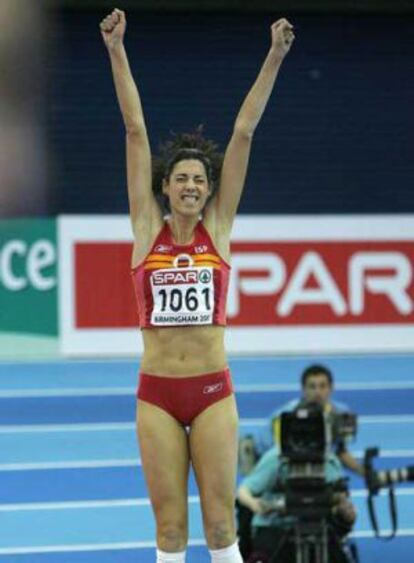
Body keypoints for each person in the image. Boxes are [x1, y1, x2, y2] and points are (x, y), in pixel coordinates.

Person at [100, 9, 295, 563]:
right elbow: (135, 130)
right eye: (181, 178)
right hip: (156, 395)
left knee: (219, 527)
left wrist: (275, 56)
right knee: (169, 532)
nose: (190, 186)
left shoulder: (219, 230)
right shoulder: (145, 231)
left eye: (199, 180)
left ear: (210, 191)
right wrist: (117, 50)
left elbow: (244, 131)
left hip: (212, 392)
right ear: (164, 187)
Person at [237, 441, 357, 563]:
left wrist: (346, 514)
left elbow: (341, 499)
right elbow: (244, 491)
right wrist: (255, 504)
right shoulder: (276, 458)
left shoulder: (330, 461)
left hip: (321, 528)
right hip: (276, 527)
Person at [240, 364, 365, 477]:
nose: (318, 392)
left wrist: (364, 472)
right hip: (265, 458)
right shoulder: (286, 415)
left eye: (322, 386)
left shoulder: (340, 414)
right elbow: (278, 454)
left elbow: (340, 451)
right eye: (312, 387)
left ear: (331, 388)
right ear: (303, 389)